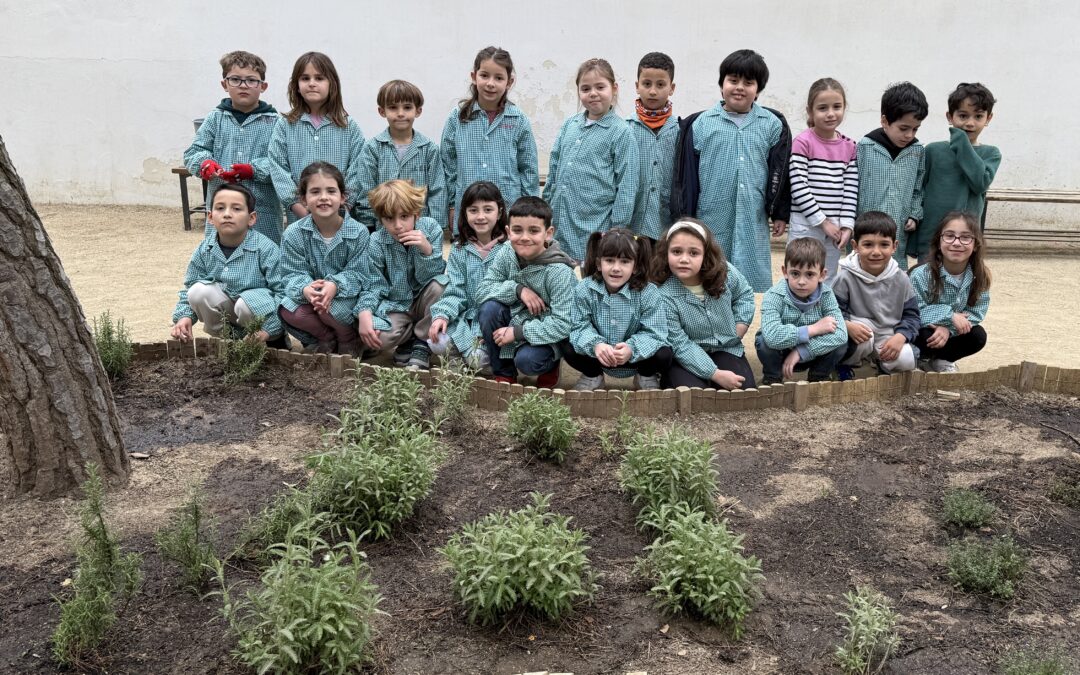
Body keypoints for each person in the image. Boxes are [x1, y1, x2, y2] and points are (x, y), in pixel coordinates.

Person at [669, 48, 792, 292]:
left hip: (752, 215)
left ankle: (743, 326)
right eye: (733, 80)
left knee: (750, 284)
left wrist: (780, 212)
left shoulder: (771, 124)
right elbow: (688, 176)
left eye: (748, 82)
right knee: (710, 276)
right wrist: (686, 214)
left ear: (758, 89)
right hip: (711, 214)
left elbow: (781, 169)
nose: (739, 87)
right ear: (721, 83)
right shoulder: (702, 124)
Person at [544, 58, 639, 263]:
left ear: (614, 89)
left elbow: (627, 186)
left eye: (600, 87)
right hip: (561, 222)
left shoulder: (621, 132)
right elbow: (554, 167)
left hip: (595, 226)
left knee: (588, 278)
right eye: (585, 88)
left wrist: (615, 231)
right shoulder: (570, 125)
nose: (593, 93)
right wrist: (545, 208)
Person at [184, 51, 283, 243]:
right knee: (221, 257)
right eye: (236, 79)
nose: (244, 85)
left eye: (251, 80)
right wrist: (204, 163)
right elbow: (193, 152)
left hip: (262, 213)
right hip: (222, 212)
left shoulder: (275, 123)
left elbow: (282, 163)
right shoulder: (215, 118)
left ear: (263, 86)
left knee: (264, 258)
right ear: (224, 84)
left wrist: (254, 170)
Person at [476, 197, 576, 387]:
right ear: (508, 231)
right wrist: (517, 289)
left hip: (545, 331)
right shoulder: (506, 252)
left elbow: (563, 324)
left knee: (528, 361)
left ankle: (551, 364)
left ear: (548, 234)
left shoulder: (559, 272)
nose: (524, 237)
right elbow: (482, 291)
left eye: (534, 230)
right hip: (514, 318)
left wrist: (518, 332)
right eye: (517, 230)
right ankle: (504, 372)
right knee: (488, 309)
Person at [170, 184, 284, 345]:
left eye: (236, 209)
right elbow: (189, 288)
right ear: (210, 217)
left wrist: (269, 330)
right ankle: (232, 342)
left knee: (246, 303)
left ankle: (268, 342)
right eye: (220, 208)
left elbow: (283, 294)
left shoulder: (267, 249)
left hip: (261, 320)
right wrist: (184, 316)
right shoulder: (205, 250)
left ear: (251, 218)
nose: (227, 214)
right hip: (231, 314)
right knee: (197, 291)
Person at [441, 46, 538, 231]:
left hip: (508, 212)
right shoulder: (457, 118)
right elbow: (448, 166)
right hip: (468, 212)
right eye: (484, 75)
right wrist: (452, 205)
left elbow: (528, 169)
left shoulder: (518, 120)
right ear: (473, 76)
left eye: (499, 78)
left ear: (509, 82)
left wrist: (528, 210)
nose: (490, 83)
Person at [652, 219, 756, 390]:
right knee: (694, 393)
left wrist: (741, 324)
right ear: (666, 253)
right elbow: (680, 343)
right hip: (688, 352)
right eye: (676, 251)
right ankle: (672, 376)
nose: (684, 259)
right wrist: (715, 374)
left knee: (741, 389)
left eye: (694, 253)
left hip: (726, 348)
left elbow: (744, 293)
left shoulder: (724, 272)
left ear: (706, 254)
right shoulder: (664, 295)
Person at [277, 162, 369, 355]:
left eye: (331, 191)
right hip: (312, 298)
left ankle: (347, 337)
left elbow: (360, 274)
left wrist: (335, 285)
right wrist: (305, 289)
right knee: (287, 309)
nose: (324, 198)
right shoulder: (293, 233)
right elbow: (290, 273)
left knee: (327, 308)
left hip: (346, 298)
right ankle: (326, 337)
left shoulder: (359, 232)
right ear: (303, 199)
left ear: (343, 197)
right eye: (315, 192)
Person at [563, 228, 670, 391]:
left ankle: (645, 375)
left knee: (664, 353)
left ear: (635, 266)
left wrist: (631, 348)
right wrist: (596, 344)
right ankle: (593, 376)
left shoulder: (648, 292)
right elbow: (579, 325)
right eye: (609, 260)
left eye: (625, 261)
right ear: (599, 264)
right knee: (568, 346)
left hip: (636, 357)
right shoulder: (584, 289)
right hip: (598, 355)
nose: (616, 268)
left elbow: (655, 331)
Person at [356, 179, 447, 370]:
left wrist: (426, 250)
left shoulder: (431, 229)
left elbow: (432, 277)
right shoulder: (377, 241)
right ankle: (409, 339)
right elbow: (373, 283)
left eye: (404, 216)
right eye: (389, 218)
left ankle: (422, 343)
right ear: (381, 219)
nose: (398, 225)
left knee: (440, 286)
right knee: (378, 339)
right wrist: (364, 311)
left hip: (425, 299)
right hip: (397, 304)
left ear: (416, 214)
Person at [269, 52, 364, 225]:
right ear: (296, 85)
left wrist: (342, 209)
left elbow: (357, 170)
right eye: (305, 78)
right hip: (299, 219)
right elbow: (278, 168)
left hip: (341, 220)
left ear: (332, 84)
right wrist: (300, 208)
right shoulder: (285, 125)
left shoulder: (348, 127)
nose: (312, 83)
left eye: (319, 78)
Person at [911, 82, 1001, 262]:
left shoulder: (991, 154)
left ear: (988, 118)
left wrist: (962, 143)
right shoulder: (933, 151)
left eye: (978, 116)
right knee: (926, 285)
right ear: (949, 117)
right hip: (931, 238)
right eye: (963, 115)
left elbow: (980, 183)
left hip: (965, 241)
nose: (970, 123)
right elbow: (918, 190)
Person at [428, 181, 510, 371]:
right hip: (466, 318)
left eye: (488, 209)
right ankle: (458, 361)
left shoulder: (509, 249)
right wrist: (442, 315)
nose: (480, 216)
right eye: (473, 210)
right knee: (437, 341)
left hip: (494, 323)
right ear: (464, 213)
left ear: (499, 212)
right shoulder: (459, 250)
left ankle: (475, 359)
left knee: (478, 361)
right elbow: (455, 290)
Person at [831, 211, 920, 379]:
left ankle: (881, 363)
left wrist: (901, 336)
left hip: (888, 333)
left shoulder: (902, 279)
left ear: (894, 246)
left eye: (884, 245)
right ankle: (845, 364)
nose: (876, 252)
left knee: (907, 359)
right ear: (855, 246)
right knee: (863, 340)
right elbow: (831, 311)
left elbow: (912, 316)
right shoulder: (845, 277)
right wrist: (847, 326)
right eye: (868, 244)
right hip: (858, 332)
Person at [788, 77, 859, 280]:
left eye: (837, 107)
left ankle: (824, 312)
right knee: (800, 274)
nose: (830, 114)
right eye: (822, 108)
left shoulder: (850, 147)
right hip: (807, 225)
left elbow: (851, 189)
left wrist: (846, 225)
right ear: (810, 111)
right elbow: (799, 186)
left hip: (835, 229)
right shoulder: (802, 142)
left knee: (827, 277)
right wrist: (822, 221)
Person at [353, 80, 446, 229]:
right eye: (393, 108)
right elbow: (366, 191)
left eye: (407, 107)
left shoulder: (429, 149)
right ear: (382, 111)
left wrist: (434, 228)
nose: (401, 113)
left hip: (420, 230)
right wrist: (369, 227)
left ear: (418, 111)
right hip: (383, 230)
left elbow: (437, 192)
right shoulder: (372, 148)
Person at [755, 238, 848, 384]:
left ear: (822, 275)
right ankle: (773, 377)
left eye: (809, 274)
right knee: (763, 340)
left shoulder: (826, 295)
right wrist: (813, 329)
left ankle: (819, 376)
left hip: (813, 353)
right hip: (781, 351)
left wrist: (801, 351)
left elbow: (841, 334)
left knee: (841, 343)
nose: (801, 281)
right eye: (795, 273)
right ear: (785, 272)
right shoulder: (773, 295)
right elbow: (772, 336)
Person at [856, 81, 927, 270]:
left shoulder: (917, 151)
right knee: (862, 272)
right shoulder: (865, 147)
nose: (909, 135)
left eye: (915, 129)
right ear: (885, 121)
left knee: (895, 274)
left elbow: (919, 188)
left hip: (898, 228)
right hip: (865, 226)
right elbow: (853, 186)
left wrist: (914, 214)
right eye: (904, 128)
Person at [909, 211, 990, 373]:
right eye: (949, 236)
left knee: (977, 336)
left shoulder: (979, 276)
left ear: (975, 245)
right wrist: (950, 316)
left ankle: (942, 360)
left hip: (950, 333)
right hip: (923, 329)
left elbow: (976, 312)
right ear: (939, 242)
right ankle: (920, 358)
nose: (957, 243)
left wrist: (948, 328)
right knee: (924, 334)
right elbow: (915, 310)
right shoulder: (921, 274)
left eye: (966, 237)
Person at [627, 52, 680, 243]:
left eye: (660, 85)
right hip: (631, 222)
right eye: (646, 84)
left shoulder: (680, 131)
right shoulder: (625, 129)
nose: (652, 91)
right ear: (637, 86)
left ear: (671, 88)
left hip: (667, 224)